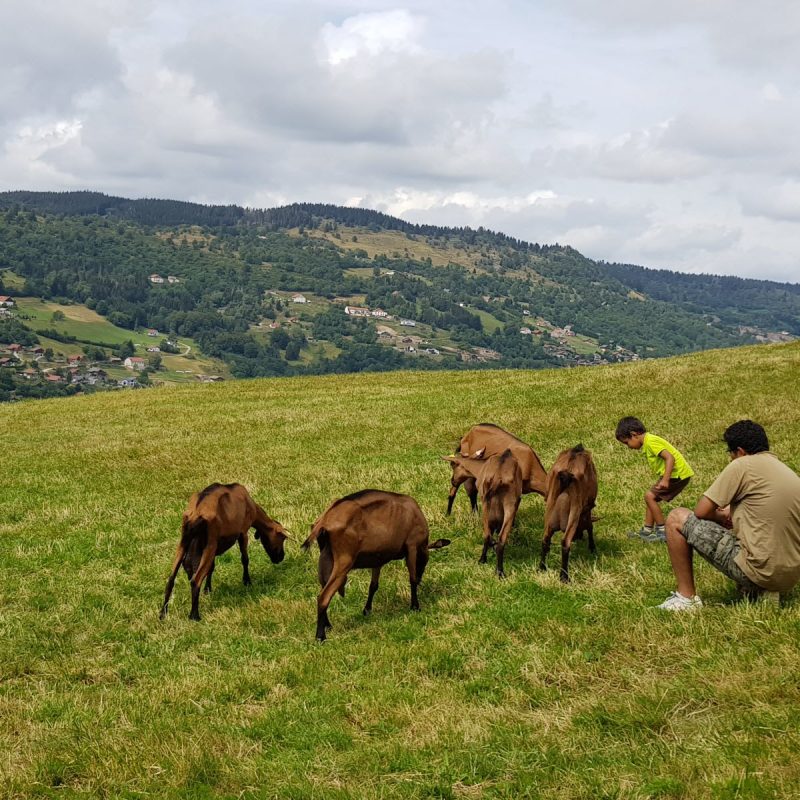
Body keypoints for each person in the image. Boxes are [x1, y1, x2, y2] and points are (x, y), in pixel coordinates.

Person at [657, 419, 800, 611]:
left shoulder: (742, 465)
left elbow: (701, 511)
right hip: (790, 576)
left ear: (739, 451)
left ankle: (686, 598)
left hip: (759, 571)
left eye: (731, 454)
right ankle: (762, 592)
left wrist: (721, 517)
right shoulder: (786, 472)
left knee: (676, 518)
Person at [616, 416, 694, 542]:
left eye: (626, 442)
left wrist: (665, 479)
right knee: (651, 498)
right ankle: (647, 531)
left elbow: (670, 458)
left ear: (634, 434)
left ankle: (662, 531)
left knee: (649, 496)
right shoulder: (648, 441)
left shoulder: (651, 442)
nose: (628, 447)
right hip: (674, 474)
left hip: (677, 475)